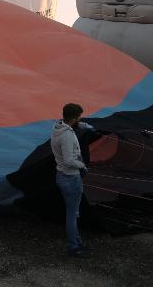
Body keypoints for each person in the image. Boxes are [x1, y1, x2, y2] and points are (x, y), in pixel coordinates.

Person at [51, 103, 93, 258]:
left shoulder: (57, 128)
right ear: (74, 118)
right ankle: (74, 247)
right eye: (79, 118)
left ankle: (77, 242)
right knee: (72, 215)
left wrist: (81, 125)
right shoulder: (67, 135)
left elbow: (70, 126)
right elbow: (69, 160)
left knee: (72, 213)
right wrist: (82, 166)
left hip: (62, 176)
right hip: (70, 178)